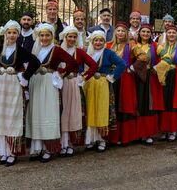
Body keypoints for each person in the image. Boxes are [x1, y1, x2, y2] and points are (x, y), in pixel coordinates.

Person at [0, 20, 40, 167]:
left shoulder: (20, 51)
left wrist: (24, 76)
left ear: (18, 34)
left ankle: (12, 152)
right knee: (0, 117)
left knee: (11, 117)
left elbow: (35, 62)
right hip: (0, 86)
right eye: (9, 32)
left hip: (13, 87)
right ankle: (3, 151)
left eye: (14, 32)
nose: (11, 35)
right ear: (5, 34)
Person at [26, 23, 78, 163]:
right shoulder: (35, 50)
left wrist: (61, 73)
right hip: (35, 83)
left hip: (49, 84)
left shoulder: (57, 50)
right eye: (42, 35)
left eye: (47, 35)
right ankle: (37, 148)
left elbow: (72, 63)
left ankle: (48, 149)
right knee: (36, 113)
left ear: (52, 36)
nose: (44, 38)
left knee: (48, 113)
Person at [58, 26, 98, 157]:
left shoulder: (79, 52)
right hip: (60, 84)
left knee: (72, 112)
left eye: (74, 37)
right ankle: (61, 143)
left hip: (74, 84)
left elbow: (93, 65)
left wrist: (83, 77)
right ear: (65, 37)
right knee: (61, 112)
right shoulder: (58, 51)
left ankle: (69, 144)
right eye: (69, 36)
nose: (72, 39)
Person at [83, 30, 125, 152]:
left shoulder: (108, 53)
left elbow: (122, 64)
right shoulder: (88, 52)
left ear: (104, 42)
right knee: (91, 109)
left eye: (101, 40)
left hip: (103, 84)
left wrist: (111, 77)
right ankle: (91, 139)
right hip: (90, 84)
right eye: (96, 40)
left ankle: (102, 139)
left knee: (101, 110)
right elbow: (80, 64)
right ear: (92, 41)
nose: (98, 42)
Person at [106, 21, 147, 145]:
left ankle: (124, 136)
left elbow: (143, 56)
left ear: (126, 33)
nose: (120, 33)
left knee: (124, 105)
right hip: (111, 78)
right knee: (112, 105)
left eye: (122, 31)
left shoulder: (131, 45)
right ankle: (112, 137)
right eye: (118, 31)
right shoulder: (108, 45)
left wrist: (132, 68)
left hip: (125, 79)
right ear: (115, 32)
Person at [132, 24, 165, 145]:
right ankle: (137, 133)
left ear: (151, 34)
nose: (145, 34)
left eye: (148, 32)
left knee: (148, 105)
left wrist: (156, 68)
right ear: (139, 33)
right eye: (143, 31)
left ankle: (148, 133)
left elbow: (167, 57)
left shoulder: (155, 46)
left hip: (149, 79)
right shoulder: (134, 46)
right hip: (135, 78)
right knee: (137, 104)